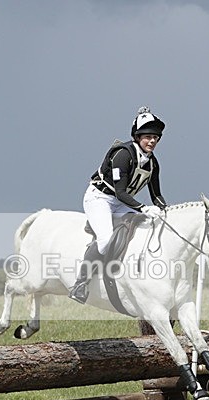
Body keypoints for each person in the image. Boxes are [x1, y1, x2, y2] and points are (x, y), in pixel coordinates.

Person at [69, 107, 168, 304]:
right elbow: (120, 192)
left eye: (156, 137)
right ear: (138, 137)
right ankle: (80, 284)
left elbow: (156, 195)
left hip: (122, 202)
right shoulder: (123, 155)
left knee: (148, 226)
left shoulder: (152, 163)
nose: (152, 141)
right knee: (105, 240)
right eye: (148, 136)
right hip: (100, 199)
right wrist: (142, 208)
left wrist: (166, 211)